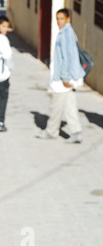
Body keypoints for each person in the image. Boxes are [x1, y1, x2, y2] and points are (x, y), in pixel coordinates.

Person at [36, 8, 85, 144]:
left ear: (68, 19)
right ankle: (76, 132)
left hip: (64, 79)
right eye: (57, 18)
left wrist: (65, 78)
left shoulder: (66, 35)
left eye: (62, 18)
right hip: (68, 78)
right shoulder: (66, 32)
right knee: (70, 107)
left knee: (55, 106)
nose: (59, 21)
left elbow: (67, 58)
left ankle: (51, 132)